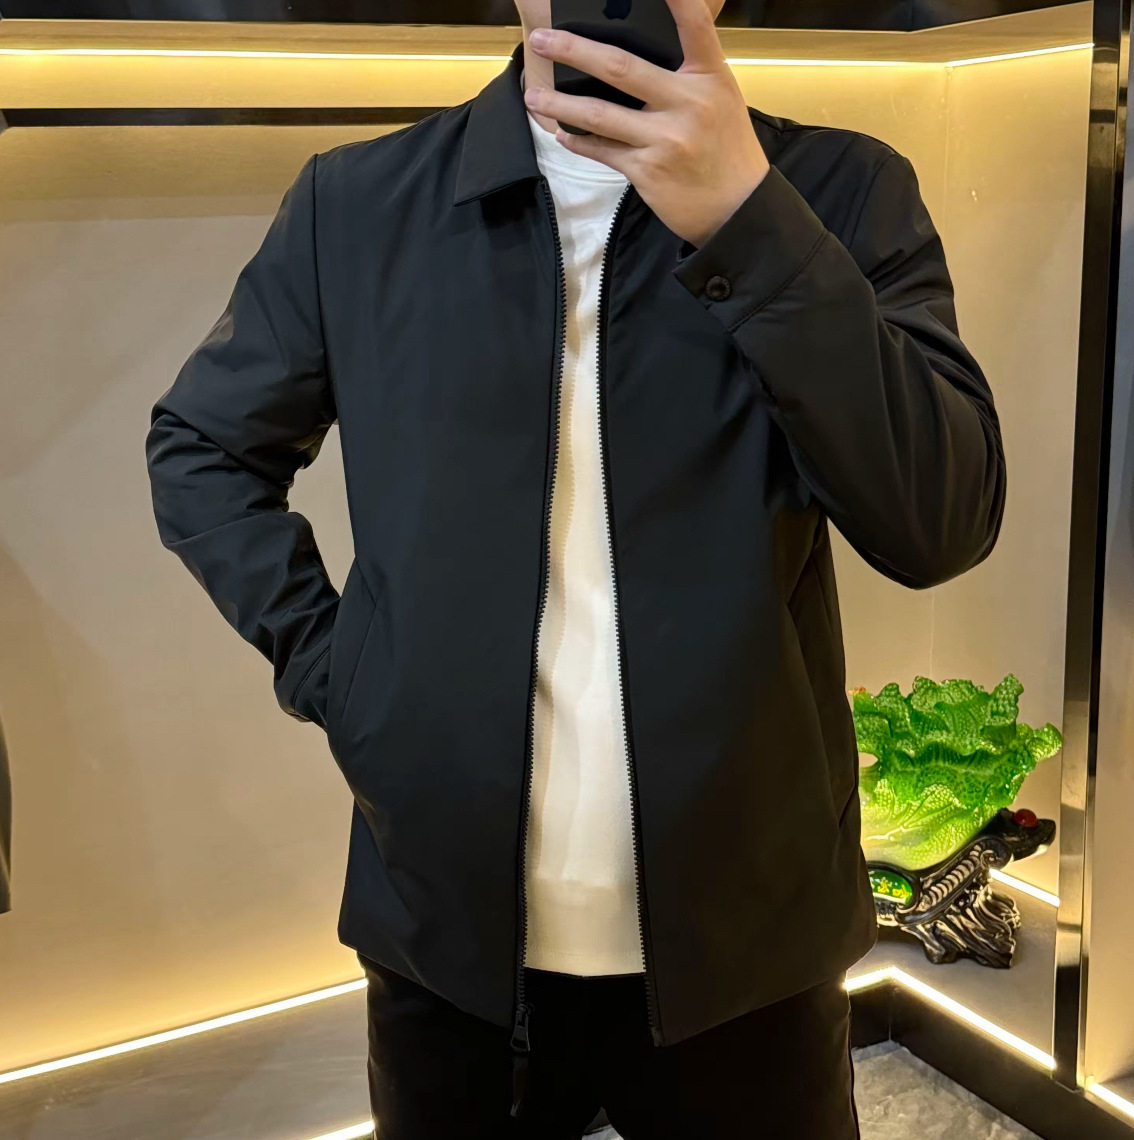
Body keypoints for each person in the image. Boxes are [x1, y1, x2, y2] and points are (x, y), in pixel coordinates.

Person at [144, 0, 1007, 1135]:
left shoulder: (840, 193)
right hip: (449, 942)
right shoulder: (357, 203)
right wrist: (342, 673)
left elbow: (940, 521)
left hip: (752, 942)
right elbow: (203, 450)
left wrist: (752, 225)